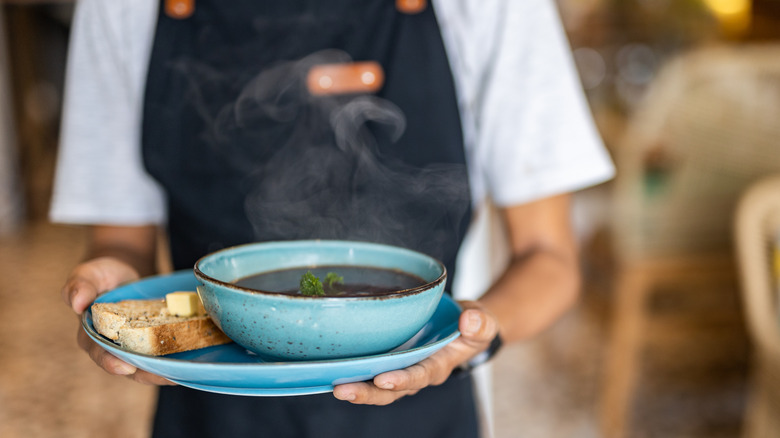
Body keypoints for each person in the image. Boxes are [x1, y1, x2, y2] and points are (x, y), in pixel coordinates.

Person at [53, 0, 615, 437]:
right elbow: (120, 241)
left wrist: (470, 338)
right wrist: (115, 291)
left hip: (419, 413)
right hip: (209, 412)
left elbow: (549, 257)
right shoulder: (123, 7)